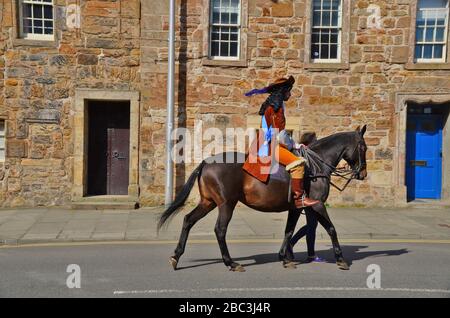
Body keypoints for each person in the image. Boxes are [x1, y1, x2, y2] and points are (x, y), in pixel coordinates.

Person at [245, 76, 320, 208]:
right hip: (270, 146)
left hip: (269, 143)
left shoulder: (274, 106)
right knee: (298, 164)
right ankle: (299, 199)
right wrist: (295, 144)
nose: (290, 94)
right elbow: (279, 134)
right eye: (288, 91)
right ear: (282, 92)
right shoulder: (276, 109)